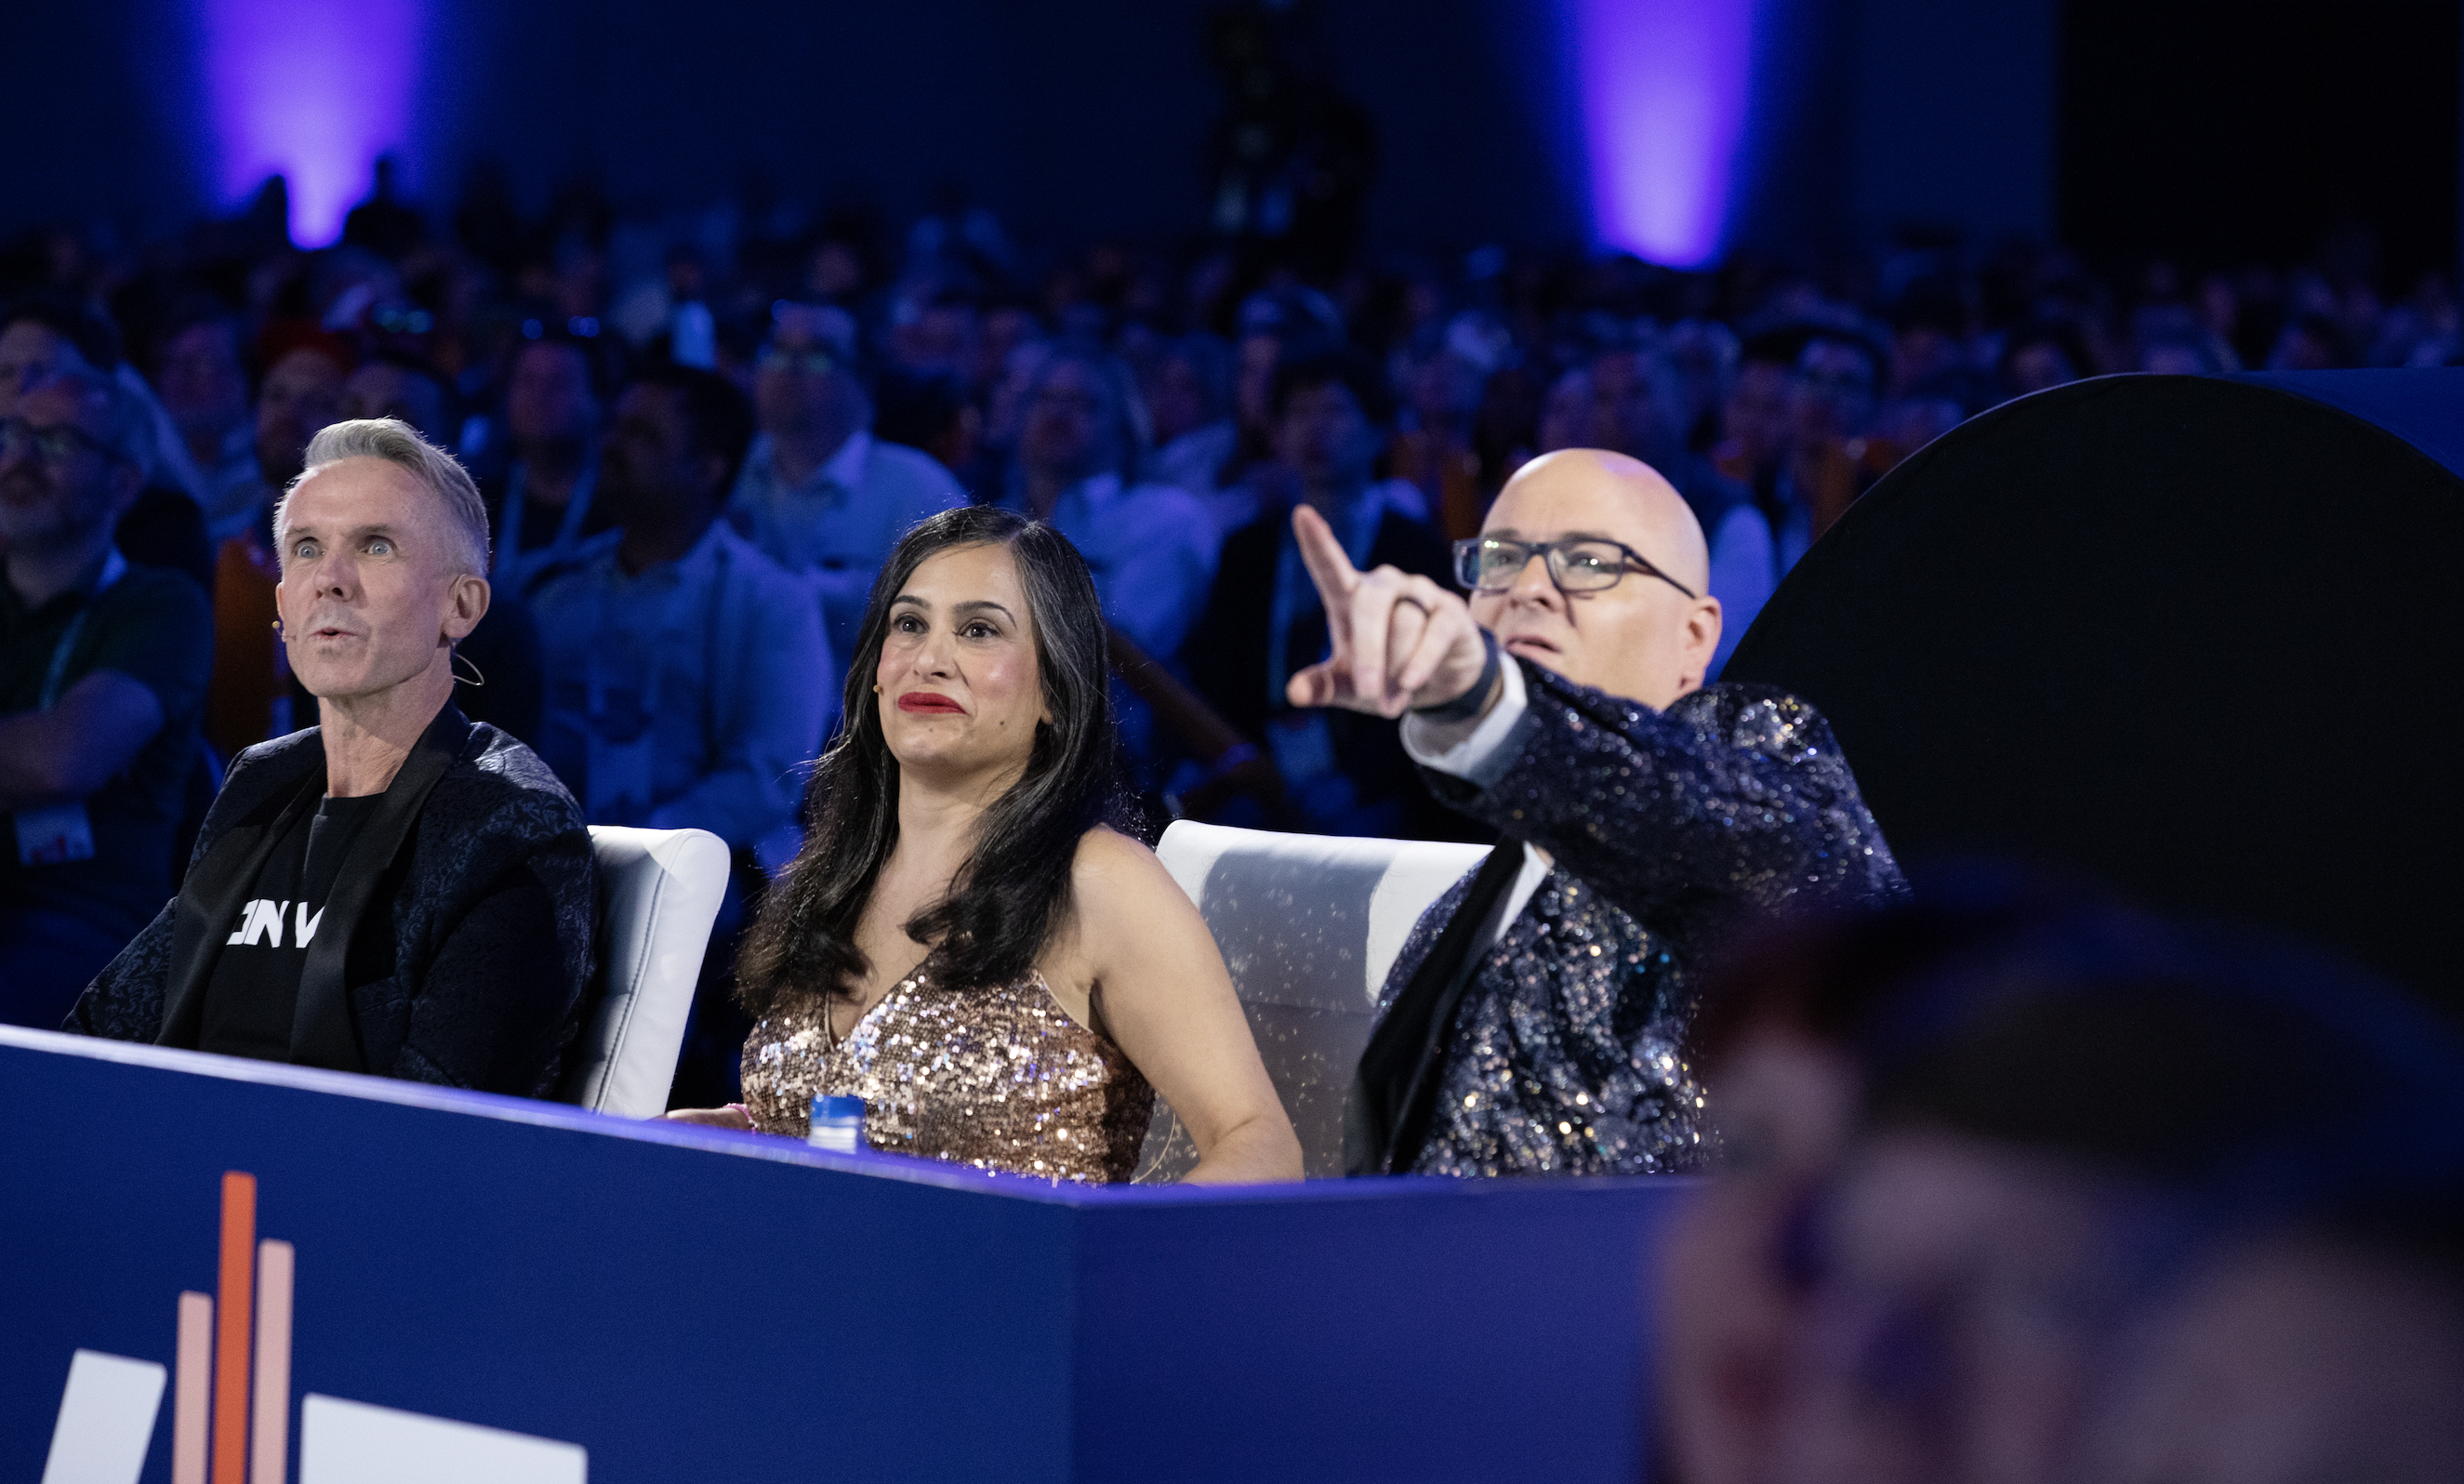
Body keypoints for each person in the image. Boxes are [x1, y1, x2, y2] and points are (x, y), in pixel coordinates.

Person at [1287, 447, 1903, 1177]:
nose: (1530, 589)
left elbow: (1784, 854)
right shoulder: (1454, 917)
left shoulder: (1751, 752)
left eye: (1588, 562)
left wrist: (1485, 704)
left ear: (1695, 637)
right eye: (1501, 558)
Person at [669, 506, 1303, 1186]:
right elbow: (844, 1132)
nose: (930, 660)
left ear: (1055, 690)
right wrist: (740, 1134)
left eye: (978, 631)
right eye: (909, 625)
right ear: (875, 672)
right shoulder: (828, 878)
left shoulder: (1098, 882)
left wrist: (1101, 1268)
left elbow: (1260, 1147)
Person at [67, 417, 599, 1096]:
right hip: (172, 1173)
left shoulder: (507, 826)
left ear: (460, 606)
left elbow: (439, 1136)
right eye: (308, 549)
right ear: (283, 605)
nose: (331, 580)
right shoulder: (263, 782)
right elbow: (98, 1036)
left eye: (377, 547)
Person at [528, 364, 829, 853]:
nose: (612, 446)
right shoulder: (551, 587)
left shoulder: (772, 602)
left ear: (706, 470)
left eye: (643, 436)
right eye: (614, 427)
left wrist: (624, 852)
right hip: (541, 865)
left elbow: (768, 778)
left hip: (705, 887)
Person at [0, 369, 215, 1026]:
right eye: (13, 434)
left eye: (57, 442)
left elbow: (65, 761)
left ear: (123, 482)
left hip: (77, 917)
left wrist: (42, 753)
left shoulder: (161, 605)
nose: (21, 460)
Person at [1181, 348, 1458, 839]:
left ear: (1377, 432)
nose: (1314, 429)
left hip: (1380, 790)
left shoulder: (1414, 550)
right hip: (1262, 774)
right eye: (1298, 413)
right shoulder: (1249, 548)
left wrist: (1357, 782)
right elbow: (1217, 670)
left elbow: (1431, 691)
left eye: (1333, 411)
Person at [724, 302, 966, 680]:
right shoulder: (721, 471)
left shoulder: (919, 490)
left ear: (864, 382)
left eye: (817, 356)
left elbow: (951, 630)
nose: (789, 368)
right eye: (776, 351)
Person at [998, 344, 1214, 663]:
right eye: (1044, 398)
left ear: (1125, 423)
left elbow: (1131, 638)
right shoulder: (994, 521)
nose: (1058, 413)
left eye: (1081, 403)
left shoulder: (1165, 517)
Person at [484, 330, 611, 592]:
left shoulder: (619, 508)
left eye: (560, 383)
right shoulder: (475, 501)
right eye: (527, 382)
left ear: (597, 401)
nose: (540, 396)